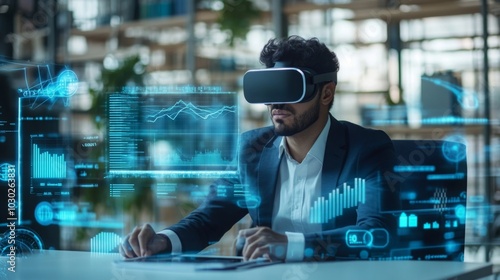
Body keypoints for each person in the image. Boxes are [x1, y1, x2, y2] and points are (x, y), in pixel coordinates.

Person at [120, 35, 399, 262]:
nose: (275, 104)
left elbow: (375, 233)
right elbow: (208, 219)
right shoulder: (252, 149)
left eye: (289, 88)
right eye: (269, 89)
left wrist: (289, 245)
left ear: (326, 93)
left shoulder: (367, 149)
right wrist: (162, 240)